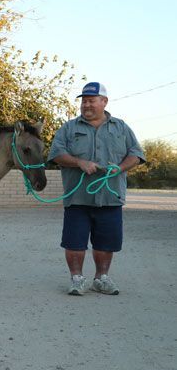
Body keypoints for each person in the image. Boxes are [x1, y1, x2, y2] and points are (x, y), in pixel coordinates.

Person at [48, 82, 145, 296]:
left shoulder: (121, 128)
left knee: (106, 241)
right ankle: (77, 279)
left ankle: (101, 278)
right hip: (77, 197)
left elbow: (136, 154)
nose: (86, 105)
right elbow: (55, 154)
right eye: (84, 102)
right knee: (74, 241)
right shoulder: (69, 128)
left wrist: (119, 168)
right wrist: (79, 162)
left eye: (91, 101)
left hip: (110, 196)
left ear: (104, 102)